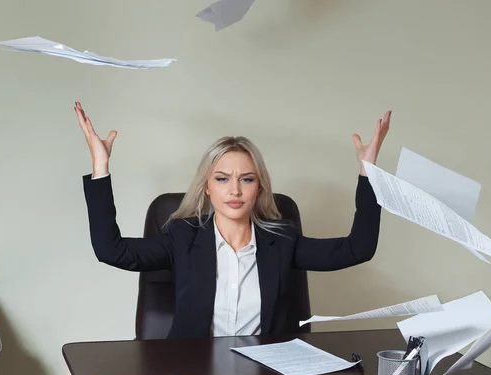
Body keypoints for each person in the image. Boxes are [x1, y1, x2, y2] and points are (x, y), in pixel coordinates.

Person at [75, 101, 390, 340]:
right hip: (193, 374)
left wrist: (368, 172)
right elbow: (111, 250)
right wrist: (100, 167)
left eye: (247, 179)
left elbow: (357, 249)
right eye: (223, 179)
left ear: (260, 188)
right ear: (207, 188)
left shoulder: (282, 240)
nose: (235, 190)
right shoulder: (182, 238)